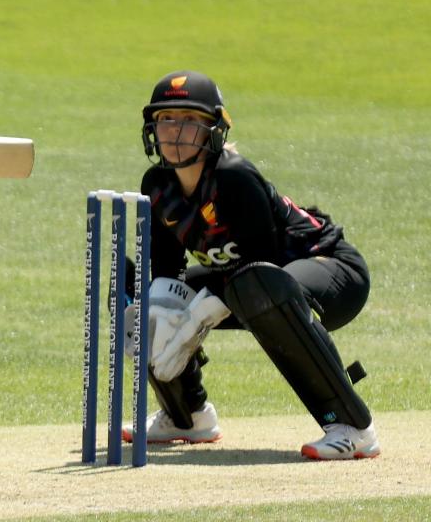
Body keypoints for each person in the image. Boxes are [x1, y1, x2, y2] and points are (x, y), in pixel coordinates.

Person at [120, 70, 379, 460]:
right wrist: (158, 314)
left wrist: (196, 318)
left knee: (258, 285)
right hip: (249, 283)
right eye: (166, 119)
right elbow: (167, 271)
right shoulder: (157, 186)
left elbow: (261, 264)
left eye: (190, 120)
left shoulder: (232, 177)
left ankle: (353, 427)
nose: (175, 132)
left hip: (329, 269)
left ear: (214, 130)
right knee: (138, 288)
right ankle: (186, 416)